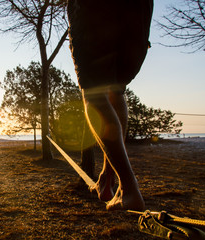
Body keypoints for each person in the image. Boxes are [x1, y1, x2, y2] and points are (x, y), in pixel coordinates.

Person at [67, 0, 153, 211]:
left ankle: (128, 190)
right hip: (138, 9)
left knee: (93, 93)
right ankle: (108, 177)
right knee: (115, 89)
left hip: (93, 8)